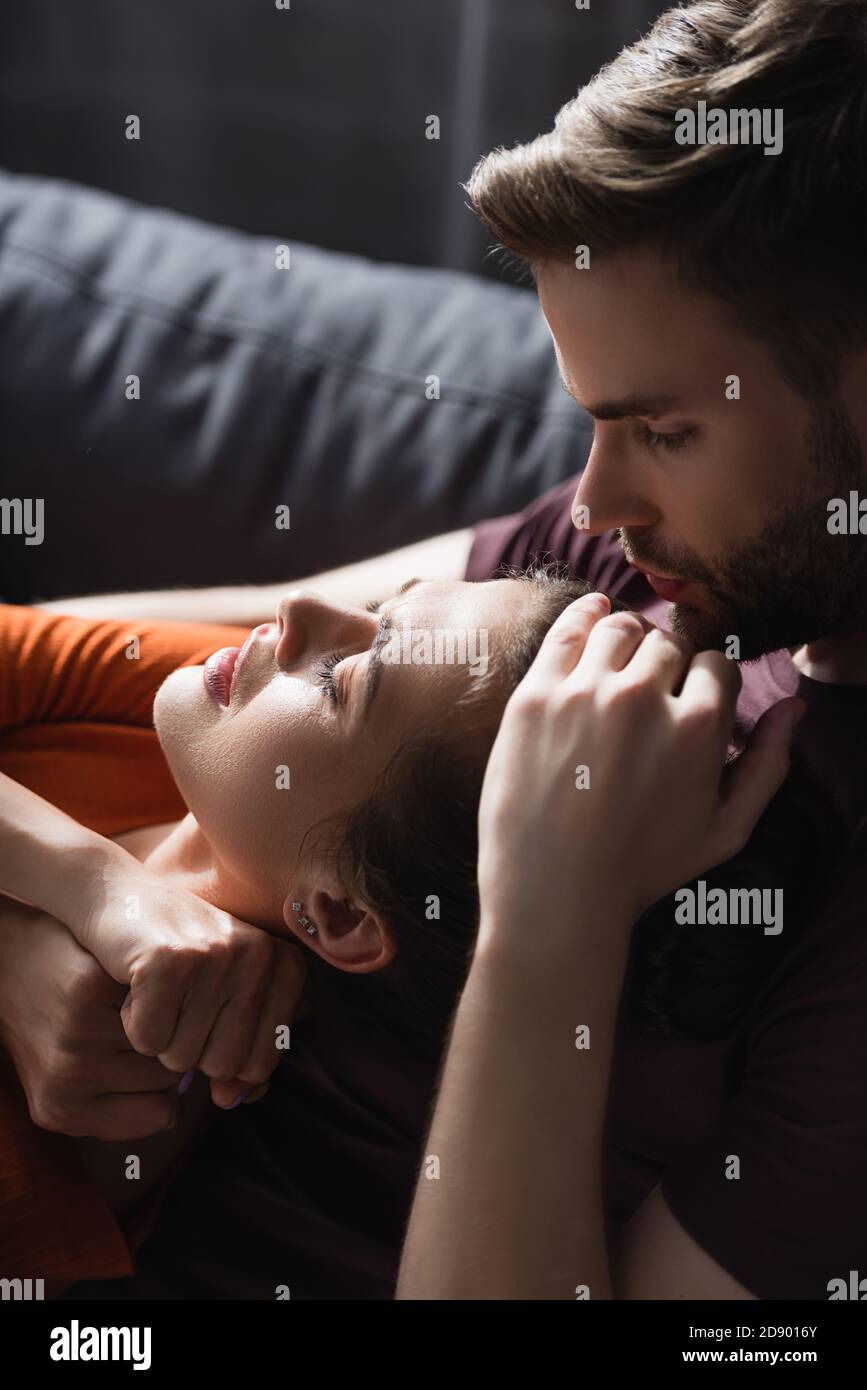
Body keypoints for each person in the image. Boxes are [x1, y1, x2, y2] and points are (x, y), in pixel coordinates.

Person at [24, 0, 867, 1300]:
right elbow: (151, 665)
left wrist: (552, 912)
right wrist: (46, 930)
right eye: (589, 421)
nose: (590, 503)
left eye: (664, 430)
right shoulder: (636, 575)